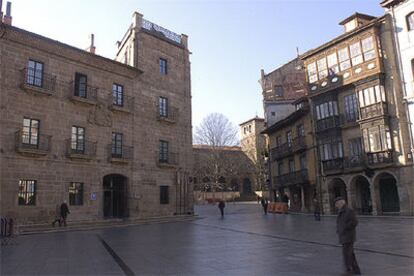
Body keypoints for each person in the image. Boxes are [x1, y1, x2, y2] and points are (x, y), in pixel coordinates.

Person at [335, 197, 361, 275]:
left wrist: (344, 228)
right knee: (350, 254)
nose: (336, 205)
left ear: (341, 203)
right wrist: (339, 230)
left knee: (347, 255)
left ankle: (348, 271)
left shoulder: (349, 211)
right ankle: (356, 270)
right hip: (344, 236)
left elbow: (355, 222)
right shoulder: (341, 211)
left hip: (348, 236)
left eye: (337, 204)